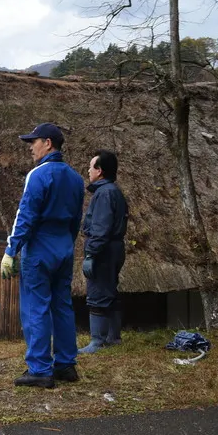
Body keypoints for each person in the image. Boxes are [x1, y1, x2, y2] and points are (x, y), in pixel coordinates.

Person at [0, 122, 85, 388]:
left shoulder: (37, 175)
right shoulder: (75, 178)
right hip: (64, 247)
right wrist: (67, 244)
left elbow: (26, 215)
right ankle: (66, 365)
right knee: (62, 306)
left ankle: (39, 369)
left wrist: (11, 250)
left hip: (39, 249)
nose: (30, 147)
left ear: (48, 143)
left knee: (35, 307)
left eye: (33, 142)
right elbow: (76, 219)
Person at [79, 149, 129, 353]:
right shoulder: (114, 191)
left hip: (104, 250)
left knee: (98, 293)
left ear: (99, 171)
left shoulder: (104, 193)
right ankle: (113, 337)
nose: (88, 171)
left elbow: (100, 228)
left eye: (91, 167)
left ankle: (97, 341)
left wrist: (91, 253)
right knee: (110, 291)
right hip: (115, 248)